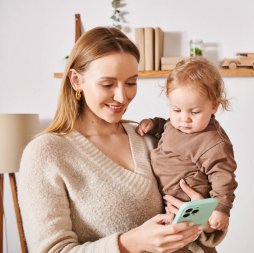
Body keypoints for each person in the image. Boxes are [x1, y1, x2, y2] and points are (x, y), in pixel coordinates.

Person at [18, 27, 226, 253]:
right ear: (76, 80)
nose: (122, 96)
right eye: (107, 84)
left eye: (130, 83)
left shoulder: (150, 138)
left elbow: (199, 227)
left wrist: (204, 220)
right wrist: (128, 244)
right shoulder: (46, 153)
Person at [136, 57, 238, 232]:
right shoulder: (175, 125)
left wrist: (221, 209)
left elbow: (223, 177)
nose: (184, 119)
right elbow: (166, 127)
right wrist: (154, 125)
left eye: (195, 112)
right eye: (176, 110)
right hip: (166, 203)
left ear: (214, 106)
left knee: (186, 242)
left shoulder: (212, 142)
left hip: (189, 205)